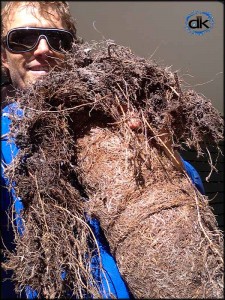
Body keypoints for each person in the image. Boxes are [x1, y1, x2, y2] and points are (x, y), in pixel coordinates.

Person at [1, 2, 205, 299]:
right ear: (4, 55)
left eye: (58, 39)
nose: (43, 49)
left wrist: (164, 159)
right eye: (23, 38)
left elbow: (185, 198)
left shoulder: (112, 117)